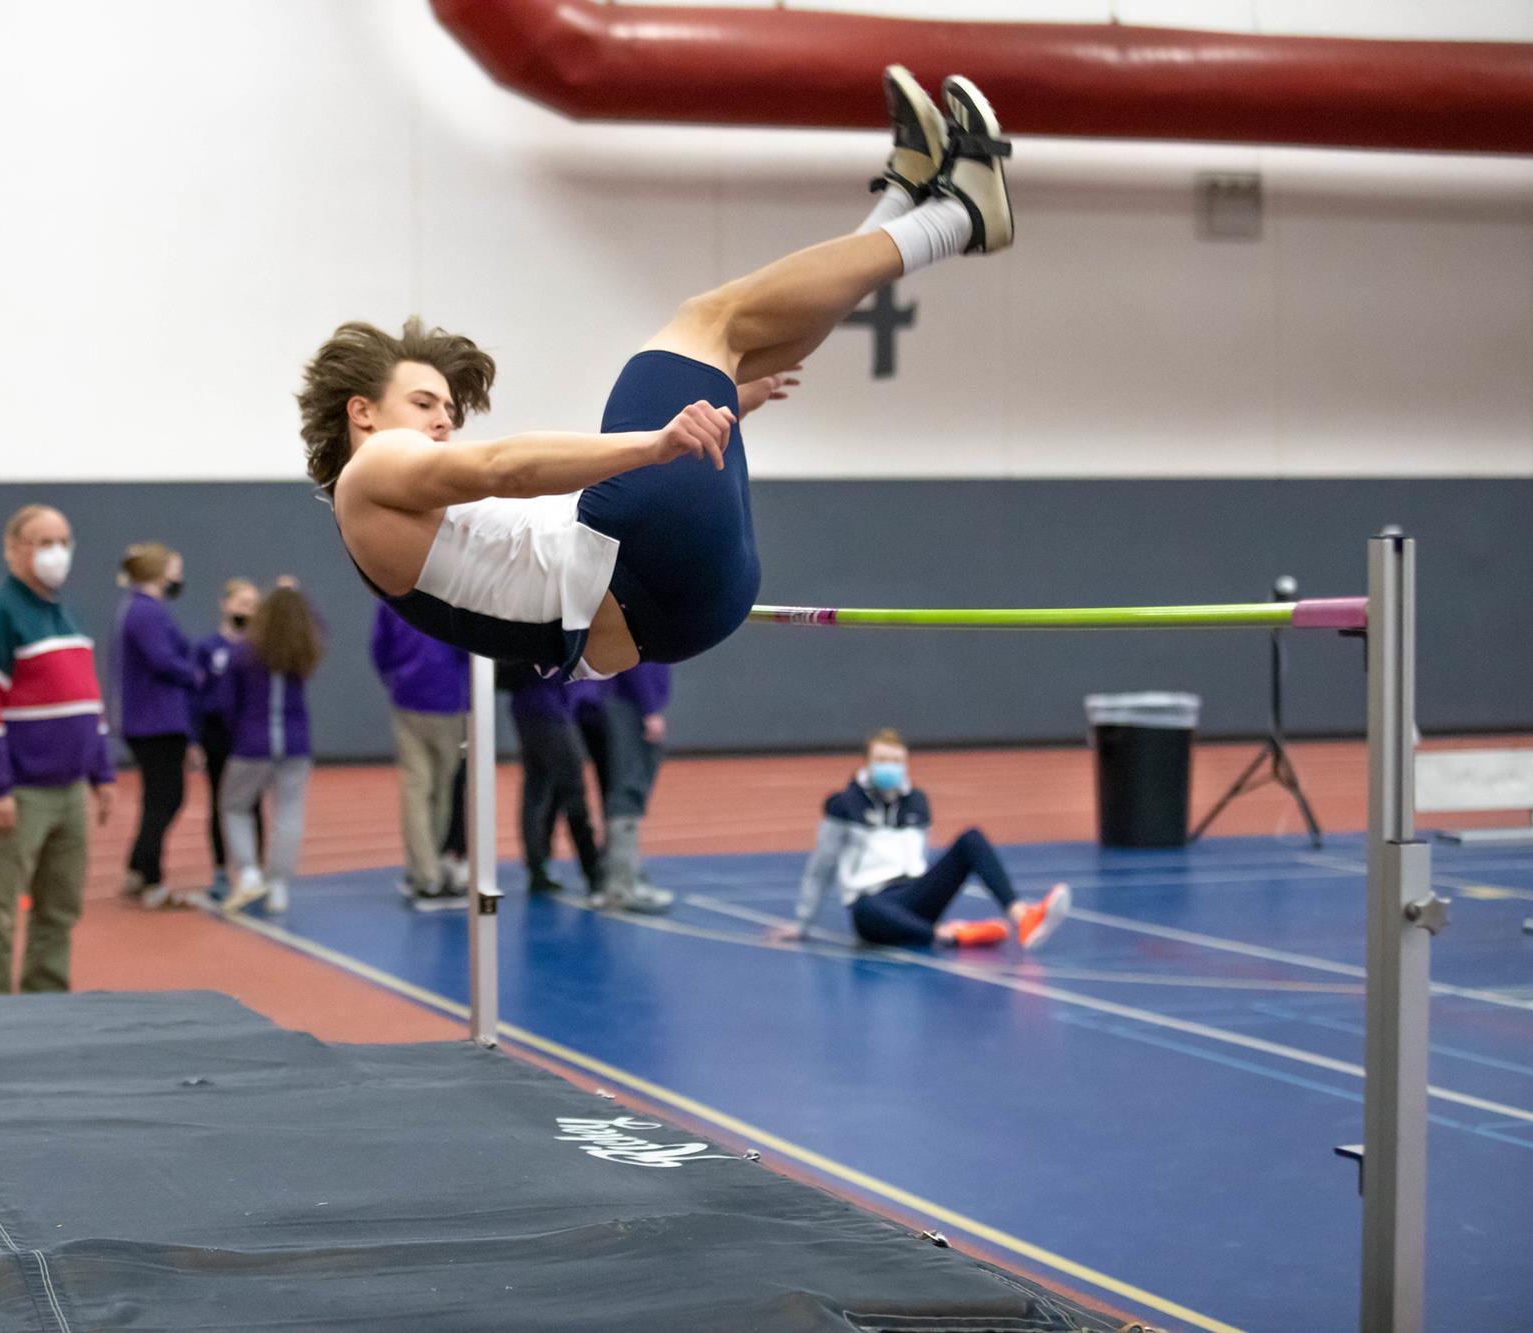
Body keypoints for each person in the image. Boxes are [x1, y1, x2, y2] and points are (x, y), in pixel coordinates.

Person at [302, 69, 1009, 680]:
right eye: (424, 402)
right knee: (710, 320)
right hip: (639, 569)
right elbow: (504, 467)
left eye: (445, 408)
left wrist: (723, 409)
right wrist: (654, 445)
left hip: (680, 609)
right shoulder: (373, 471)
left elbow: (523, 528)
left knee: (739, 350)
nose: (443, 420)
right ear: (362, 411)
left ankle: (905, 202)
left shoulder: (377, 527)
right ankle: (956, 217)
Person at [0, 504, 114, 994]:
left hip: (71, 791)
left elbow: (88, 700)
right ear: (12, 549)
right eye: (44, 543)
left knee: (60, 909)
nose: (56, 553)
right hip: (22, 792)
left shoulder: (68, 612)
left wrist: (102, 774)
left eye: (63, 542)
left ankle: (47, 1001)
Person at [771, 730, 1069, 950]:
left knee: (971, 839)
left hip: (915, 893)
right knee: (864, 910)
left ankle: (1022, 916)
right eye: (882, 760)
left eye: (895, 761)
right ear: (868, 763)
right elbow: (821, 866)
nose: (889, 767)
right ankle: (951, 935)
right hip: (875, 901)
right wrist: (803, 923)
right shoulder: (843, 805)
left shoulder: (917, 801)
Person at [216, 583, 323, 916]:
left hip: (252, 744)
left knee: (234, 806)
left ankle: (249, 873)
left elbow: (226, 703)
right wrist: (298, 598)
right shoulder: (302, 653)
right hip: (294, 744)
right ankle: (279, 885)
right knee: (289, 812)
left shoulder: (242, 653)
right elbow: (319, 627)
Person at [113, 542, 199, 908]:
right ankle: (152, 880)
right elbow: (163, 660)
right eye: (175, 568)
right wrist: (196, 674)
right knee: (166, 798)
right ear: (159, 572)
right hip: (156, 721)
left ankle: (138, 868)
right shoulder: (146, 612)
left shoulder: (142, 609)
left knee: (157, 798)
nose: (179, 576)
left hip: (153, 719)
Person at [369, 603, 471, 901]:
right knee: (441, 788)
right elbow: (470, 646)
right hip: (449, 701)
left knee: (417, 789)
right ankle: (431, 866)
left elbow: (379, 647)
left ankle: (425, 872)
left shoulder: (391, 594)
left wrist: (396, 678)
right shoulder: (454, 593)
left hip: (409, 698)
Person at [573, 664, 674, 914]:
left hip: (627, 703)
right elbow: (636, 663)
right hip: (630, 705)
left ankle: (620, 880)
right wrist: (649, 708)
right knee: (628, 790)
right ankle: (622, 886)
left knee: (625, 789)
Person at [500, 664, 602, 897]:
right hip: (549, 709)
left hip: (529, 707)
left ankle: (538, 870)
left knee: (536, 789)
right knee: (572, 791)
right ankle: (594, 873)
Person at [192, 577, 263, 901]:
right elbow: (196, 695)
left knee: (252, 803)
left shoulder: (260, 649)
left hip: (250, 734)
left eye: (253, 605)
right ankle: (221, 870)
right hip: (217, 733)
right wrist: (194, 740)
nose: (247, 610)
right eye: (242, 603)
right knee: (220, 802)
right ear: (225, 604)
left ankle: (254, 871)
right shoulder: (208, 648)